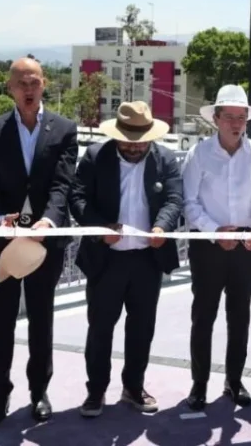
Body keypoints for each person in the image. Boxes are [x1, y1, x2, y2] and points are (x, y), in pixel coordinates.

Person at [0, 57, 80, 424]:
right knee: (0, 320)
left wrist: (49, 221)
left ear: (45, 84)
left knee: (41, 317)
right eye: (21, 83)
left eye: (34, 81)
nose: (28, 89)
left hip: (44, 238)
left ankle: (39, 392)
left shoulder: (66, 129)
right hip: (4, 239)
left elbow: (63, 184)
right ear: (10, 88)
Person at [69, 101, 183, 418]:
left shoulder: (166, 159)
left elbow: (174, 198)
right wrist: (99, 228)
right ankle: (96, 391)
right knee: (101, 327)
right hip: (106, 259)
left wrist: (163, 225)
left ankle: (133, 387)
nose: (135, 147)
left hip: (148, 259)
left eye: (141, 141)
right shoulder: (95, 157)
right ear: (117, 136)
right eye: (128, 141)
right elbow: (77, 198)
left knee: (142, 328)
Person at [181, 85, 251, 410]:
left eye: (241, 117)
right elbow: (189, 203)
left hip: (245, 246)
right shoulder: (199, 153)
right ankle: (199, 384)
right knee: (203, 316)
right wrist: (213, 231)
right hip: (208, 245)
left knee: (240, 316)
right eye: (230, 117)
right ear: (216, 119)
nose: (236, 123)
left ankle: (234, 381)